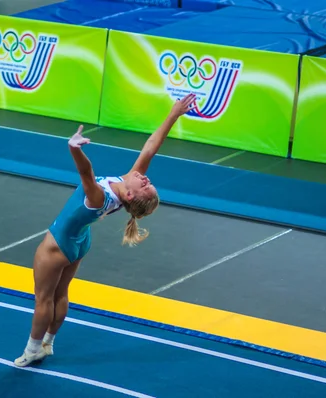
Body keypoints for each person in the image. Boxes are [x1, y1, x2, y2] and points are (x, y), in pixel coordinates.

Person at [14, 93, 196, 367]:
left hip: (58, 245)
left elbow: (86, 174)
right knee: (61, 294)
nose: (146, 179)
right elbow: (150, 148)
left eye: (146, 186)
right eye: (149, 182)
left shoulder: (100, 198)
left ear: (133, 197)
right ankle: (49, 343)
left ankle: (31, 350)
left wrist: (75, 149)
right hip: (79, 242)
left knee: (43, 300)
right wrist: (173, 114)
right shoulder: (126, 185)